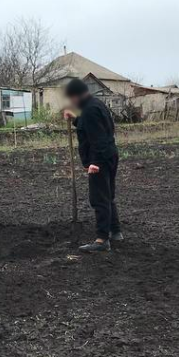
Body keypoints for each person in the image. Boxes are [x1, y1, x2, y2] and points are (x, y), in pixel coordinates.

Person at [62, 77, 122, 253]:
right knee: (108, 195)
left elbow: (98, 138)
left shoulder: (89, 111)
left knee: (99, 198)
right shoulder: (96, 105)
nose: (71, 102)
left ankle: (102, 239)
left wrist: (94, 162)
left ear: (77, 95)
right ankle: (115, 231)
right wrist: (74, 119)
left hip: (101, 159)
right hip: (110, 155)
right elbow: (90, 127)